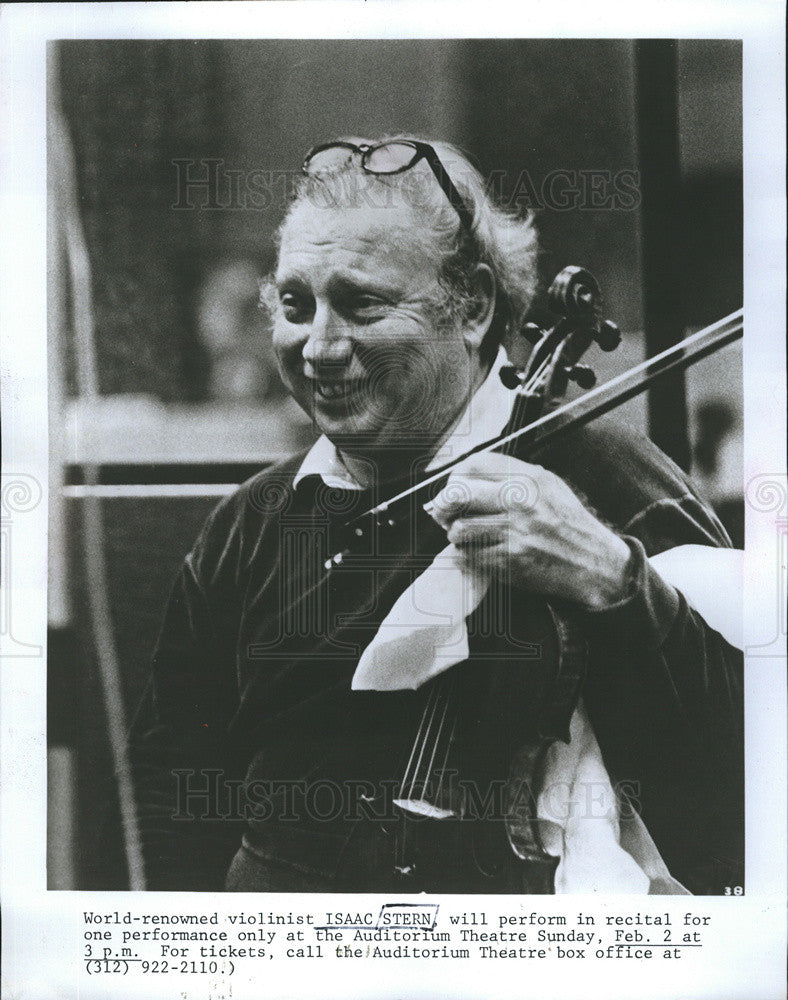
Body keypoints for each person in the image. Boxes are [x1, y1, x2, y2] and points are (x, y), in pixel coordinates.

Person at [129, 137, 742, 895]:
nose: (318, 347)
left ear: (475, 307)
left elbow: (743, 824)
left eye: (362, 304)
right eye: (296, 305)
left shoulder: (618, 488)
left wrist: (618, 585)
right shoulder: (250, 525)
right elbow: (173, 797)